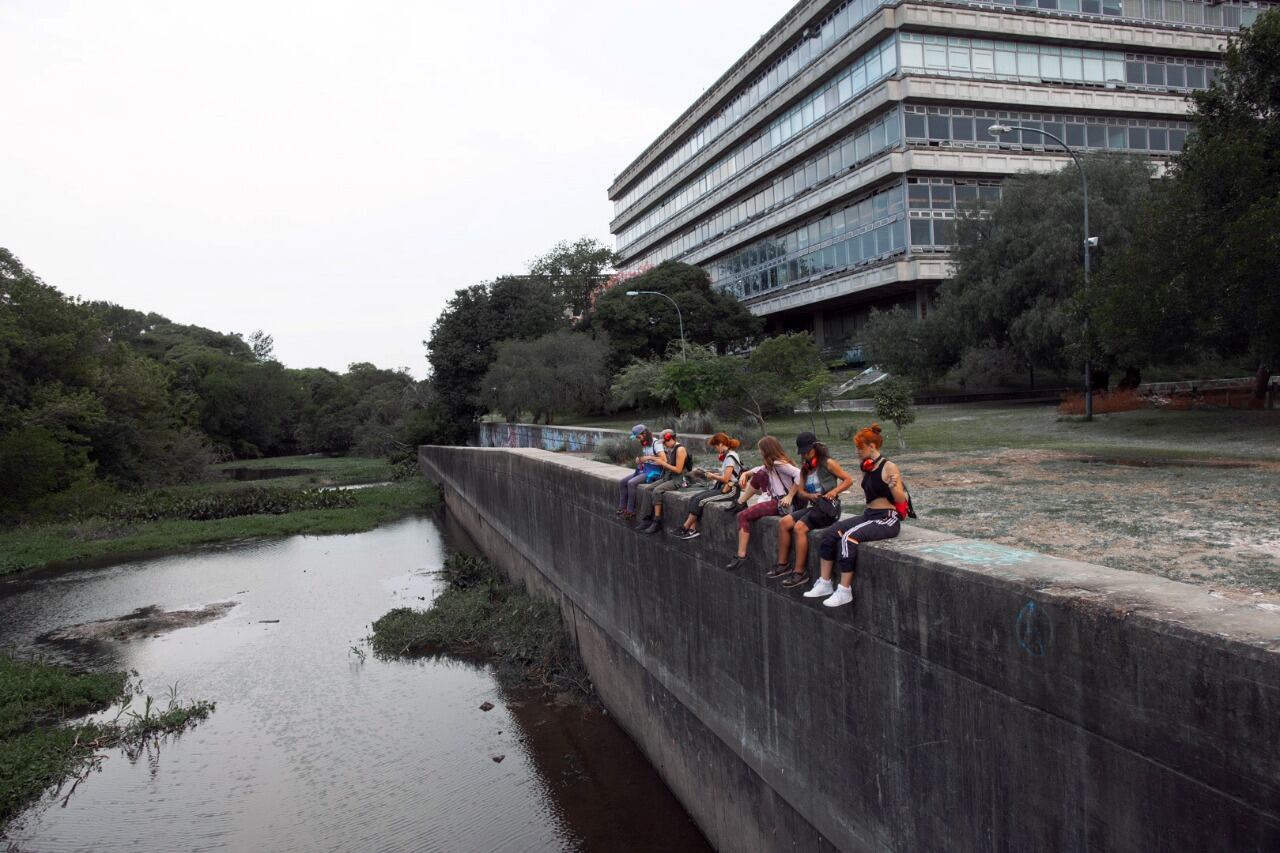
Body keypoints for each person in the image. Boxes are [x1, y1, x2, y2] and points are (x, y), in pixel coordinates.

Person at [804, 423, 911, 608]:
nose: (857, 451)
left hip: (886, 518)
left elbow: (900, 499)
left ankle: (844, 590)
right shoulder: (866, 467)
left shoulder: (889, 467)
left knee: (848, 538)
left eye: (859, 448)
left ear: (872, 447)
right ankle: (825, 582)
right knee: (830, 534)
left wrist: (894, 487)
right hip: (869, 514)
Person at [769, 432, 853, 589]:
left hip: (829, 508)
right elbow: (800, 492)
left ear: (816, 447)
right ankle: (782, 564)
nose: (806, 455)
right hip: (815, 506)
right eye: (803, 453)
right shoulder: (805, 470)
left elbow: (848, 480)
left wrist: (834, 491)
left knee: (799, 528)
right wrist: (810, 495)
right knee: (784, 522)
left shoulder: (828, 463)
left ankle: (800, 572)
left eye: (808, 451)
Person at [724, 436, 801, 571]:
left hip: (782, 504)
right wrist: (746, 473)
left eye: (760, 450)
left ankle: (741, 555)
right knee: (759, 474)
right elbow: (760, 469)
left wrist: (790, 495)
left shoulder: (778, 464)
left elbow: (800, 474)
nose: (760, 453)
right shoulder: (773, 464)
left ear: (766, 450)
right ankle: (741, 502)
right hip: (778, 501)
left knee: (743, 516)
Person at [676, 432, 742, 540]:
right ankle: (691, 529)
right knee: (695, 498)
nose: (716, 449)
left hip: (731, 491)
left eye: (715, 446)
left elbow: (726, 479)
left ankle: (686, 527)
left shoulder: (730, 457)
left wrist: (713, 476)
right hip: (723, 487)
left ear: (720, 444)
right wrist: (713, 475)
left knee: (701, 501)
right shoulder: (728, 455)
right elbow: (727, 474)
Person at [635, 429, 689, 534]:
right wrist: (652, 458)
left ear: (671, 438)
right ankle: (646, 519)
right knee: (648, 489)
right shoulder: (670, 448)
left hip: (679, 478)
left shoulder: (680, 449)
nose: (664, 445)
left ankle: (657, 521)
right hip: (668, 476)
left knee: (657, 490)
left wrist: (662, 463)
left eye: (664, 442)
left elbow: (678, 470)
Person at [616, 424, 660, 520]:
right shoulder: (644, 443)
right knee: (622, 482)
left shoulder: (656, 443)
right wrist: (639, 459)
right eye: (636, 437)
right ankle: (622, 508)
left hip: (654, 471)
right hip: (644, 469)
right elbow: (644, 458)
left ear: (644, 434)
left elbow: (664, 459)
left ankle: (631, 510)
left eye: (638, 437)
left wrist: (648, 458)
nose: (637, 439)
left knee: (631, 483)